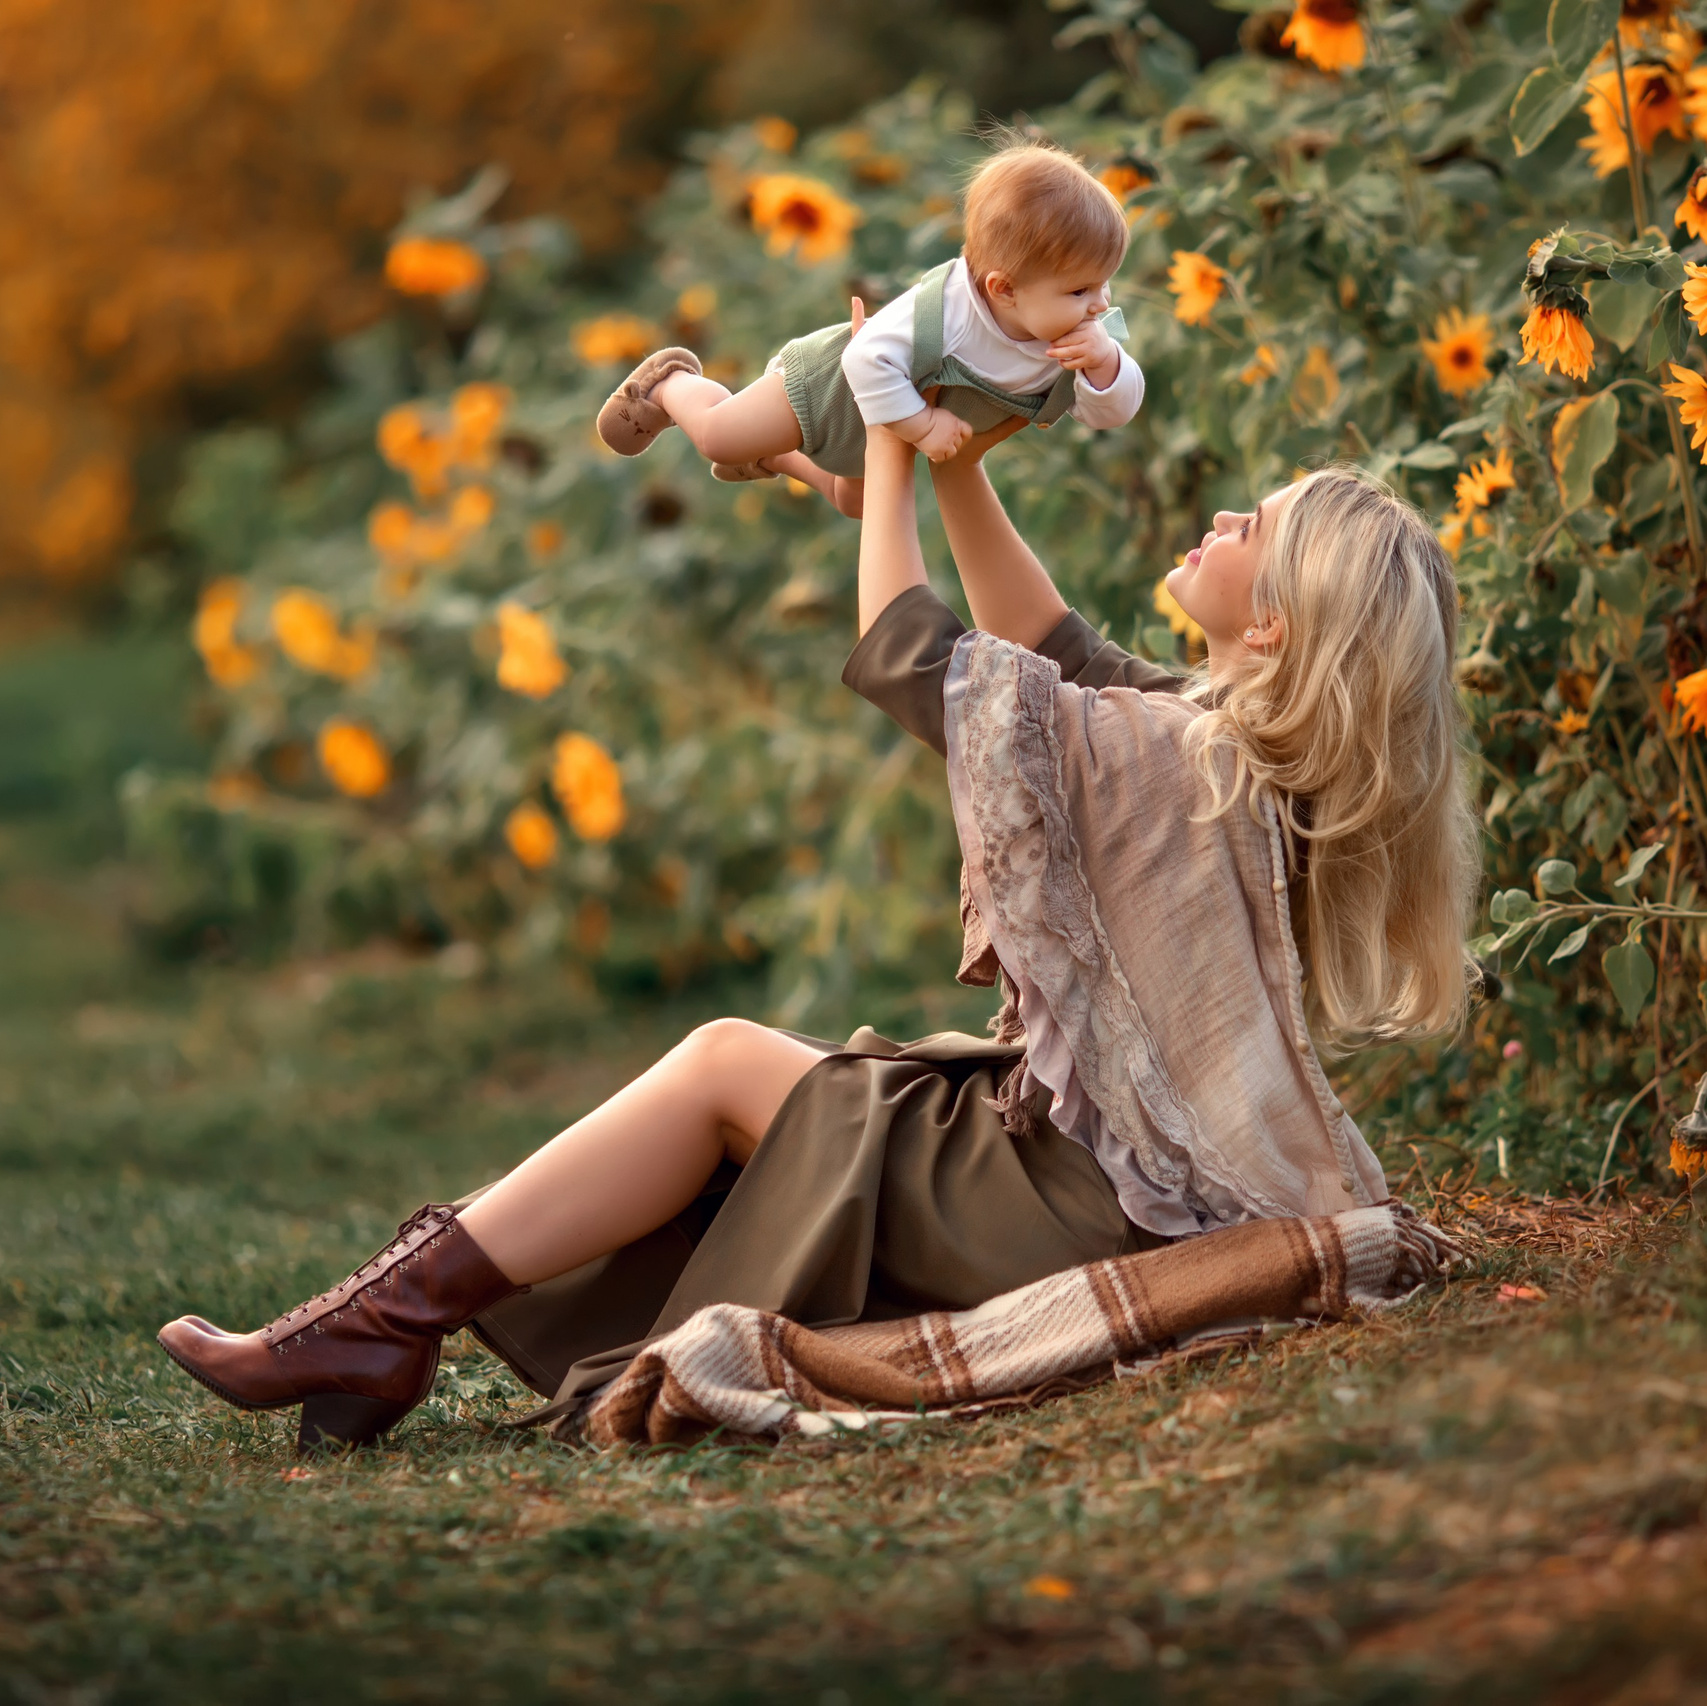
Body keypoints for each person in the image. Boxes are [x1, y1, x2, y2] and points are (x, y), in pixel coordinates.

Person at [156, 420, 1480, 1454]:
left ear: (1271, 627)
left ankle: (368, 1328)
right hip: (1110, 1196)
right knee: (791, 1072)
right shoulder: (1235, 766)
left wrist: (893, 455)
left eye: (1265, 527)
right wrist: (955, 468)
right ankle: (372, 1325)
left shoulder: (1182, 759)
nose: (1230, 514)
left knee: (732, 1061)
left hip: (1079, 1213)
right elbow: (1050, 649)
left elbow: (918, 656)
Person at [593, 142, 1144, 518]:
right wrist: (924, 424)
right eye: (1081, 290)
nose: (1100, 304)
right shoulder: (948, 311)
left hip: (879, 426)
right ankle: (669, 384)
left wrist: (1106, 366)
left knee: (854, 502)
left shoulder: (1073, 335)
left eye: (1104, 284)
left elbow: (1108, 413)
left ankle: (771, 457)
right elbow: (864, 360)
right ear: (1003, 289)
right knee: (718, 435)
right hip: (830, 390)